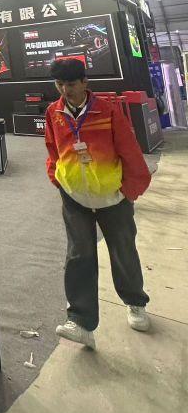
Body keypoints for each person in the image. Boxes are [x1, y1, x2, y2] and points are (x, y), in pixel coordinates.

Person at [44, 58, 152, 348]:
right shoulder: (54, 112)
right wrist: (57, 178)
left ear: (84, 82)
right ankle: (81, 321)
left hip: (112, 196)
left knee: (123, 249)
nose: (65, 90)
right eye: (59, 84)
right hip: (74, 196)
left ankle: (135, 302)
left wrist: (130, 189)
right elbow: (52, 148)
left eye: (70, 84)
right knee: (78, 254)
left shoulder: (107, 110)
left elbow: (129, 149)